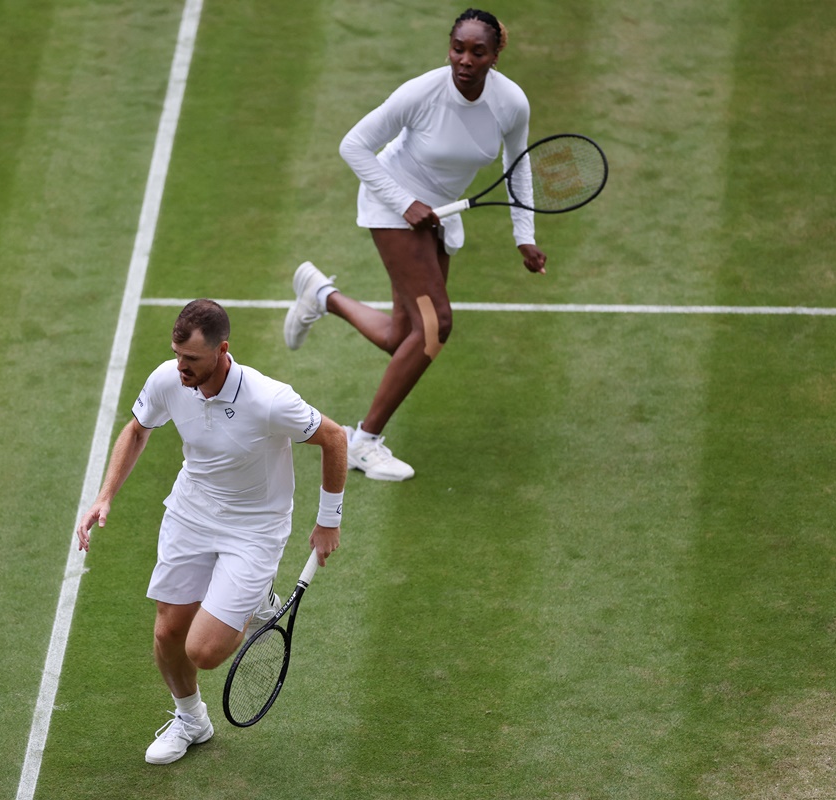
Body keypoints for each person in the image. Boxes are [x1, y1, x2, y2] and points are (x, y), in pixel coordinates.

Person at [76, 299, 347, 765]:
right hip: (192, 511)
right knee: (168, 632)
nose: (181, 367)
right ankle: (191, 720)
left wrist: (328, 520)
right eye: (178, 355)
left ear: (223, 351)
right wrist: (105, 495)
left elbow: (335, 438)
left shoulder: (268, 400)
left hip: (254, 529)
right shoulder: (169, 377)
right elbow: (138, 430)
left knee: (202, 651)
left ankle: (255, 594)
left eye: (192, 360)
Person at [284, 8, 547, 482]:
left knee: (403, 338)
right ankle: (363, 441)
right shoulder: (422, 93)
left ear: (495, 55)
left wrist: (523, 236)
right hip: (393, 200)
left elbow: (518, 165)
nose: (464, 60)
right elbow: (354, 145)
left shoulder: (511, 104)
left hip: (439, 214)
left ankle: (323, 296)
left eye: (477, 52)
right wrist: (404, 202)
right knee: (435, 326)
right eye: (457, 48)